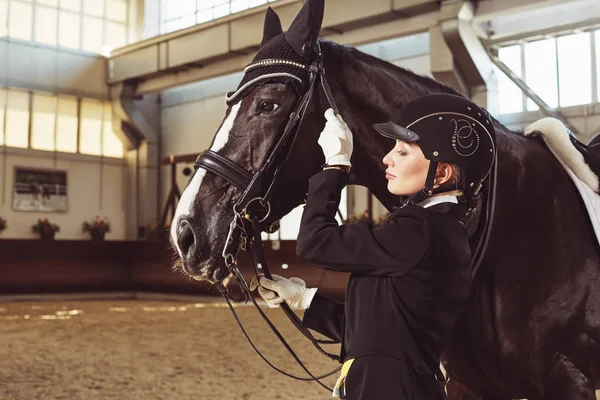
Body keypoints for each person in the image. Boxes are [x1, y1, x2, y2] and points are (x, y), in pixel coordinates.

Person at [252, 93, 496, 399]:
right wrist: (305, 299)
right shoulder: (438, 230)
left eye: (403, 153)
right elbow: (377, 334)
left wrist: (336, 166)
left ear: (442, 173)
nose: (387, 159)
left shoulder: (419, 230)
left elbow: (314, 242)